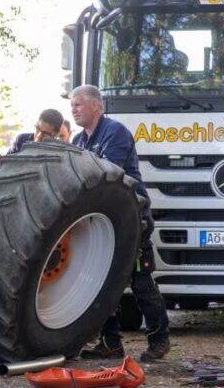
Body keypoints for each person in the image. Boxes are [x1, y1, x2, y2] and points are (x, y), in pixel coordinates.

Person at [69, 85, 171, 362]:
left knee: (141, 282)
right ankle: (110, 344)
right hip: (101, 223)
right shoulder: (78, 140)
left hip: (130, 220)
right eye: (72, 105)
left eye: (79, 104)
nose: (74, 109)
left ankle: (159, 340)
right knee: (102, 284)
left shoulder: (115, 133)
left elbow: (106, 174)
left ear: (96, 107)